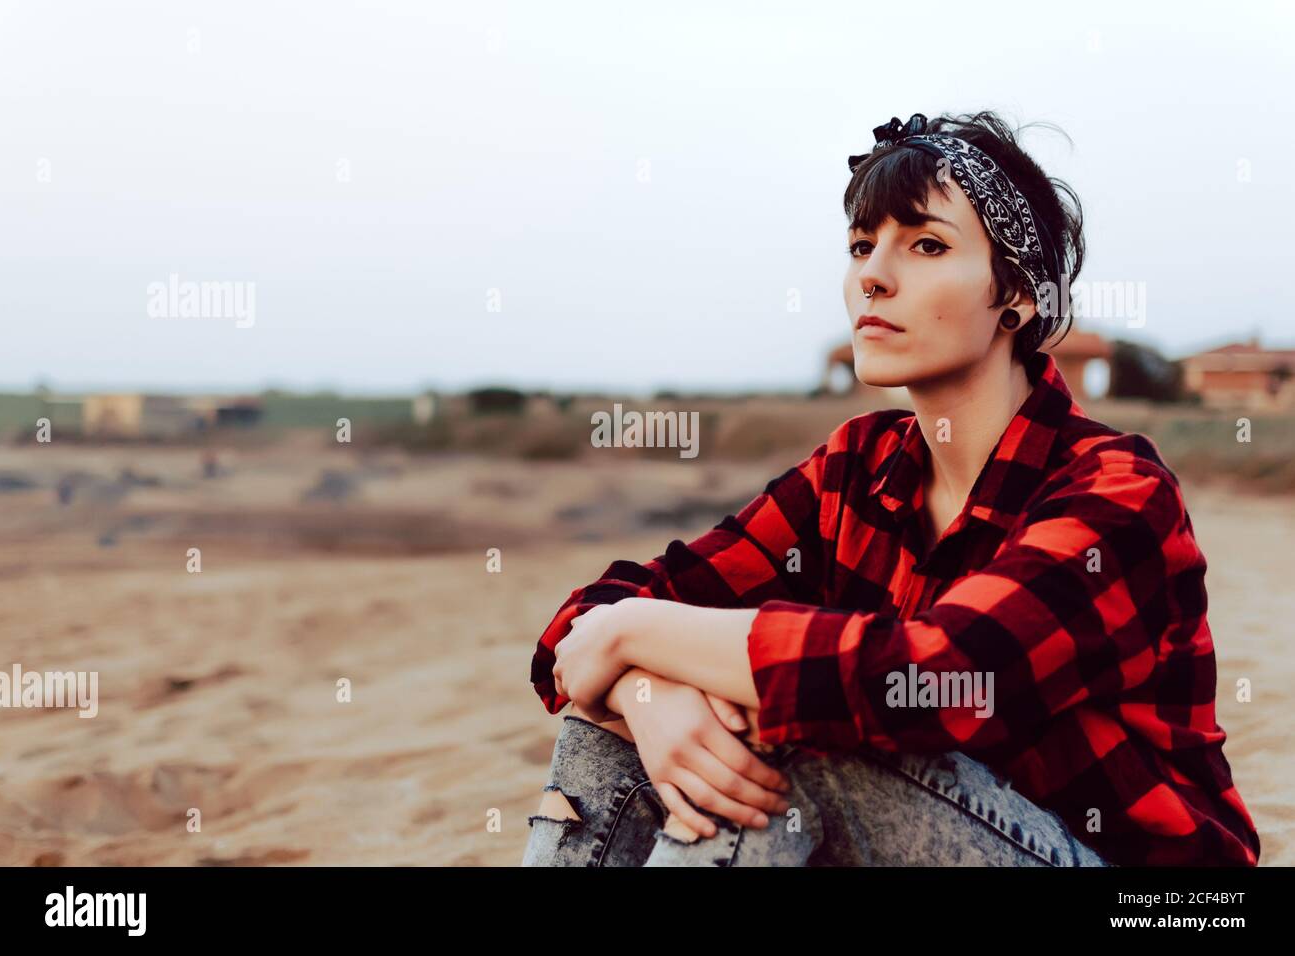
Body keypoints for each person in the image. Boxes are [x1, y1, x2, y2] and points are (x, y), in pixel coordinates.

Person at [523, 111, 1261, 867]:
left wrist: (632, 635)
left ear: (1019, 297)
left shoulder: (1117, 490)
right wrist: (648, 692)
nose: (873, 274)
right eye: (861, 245)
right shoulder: (855, 467)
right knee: (606, 722)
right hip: (925, 833)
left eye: (927, 245)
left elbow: (940, 678)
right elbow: (577, 635)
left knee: (805, 729)